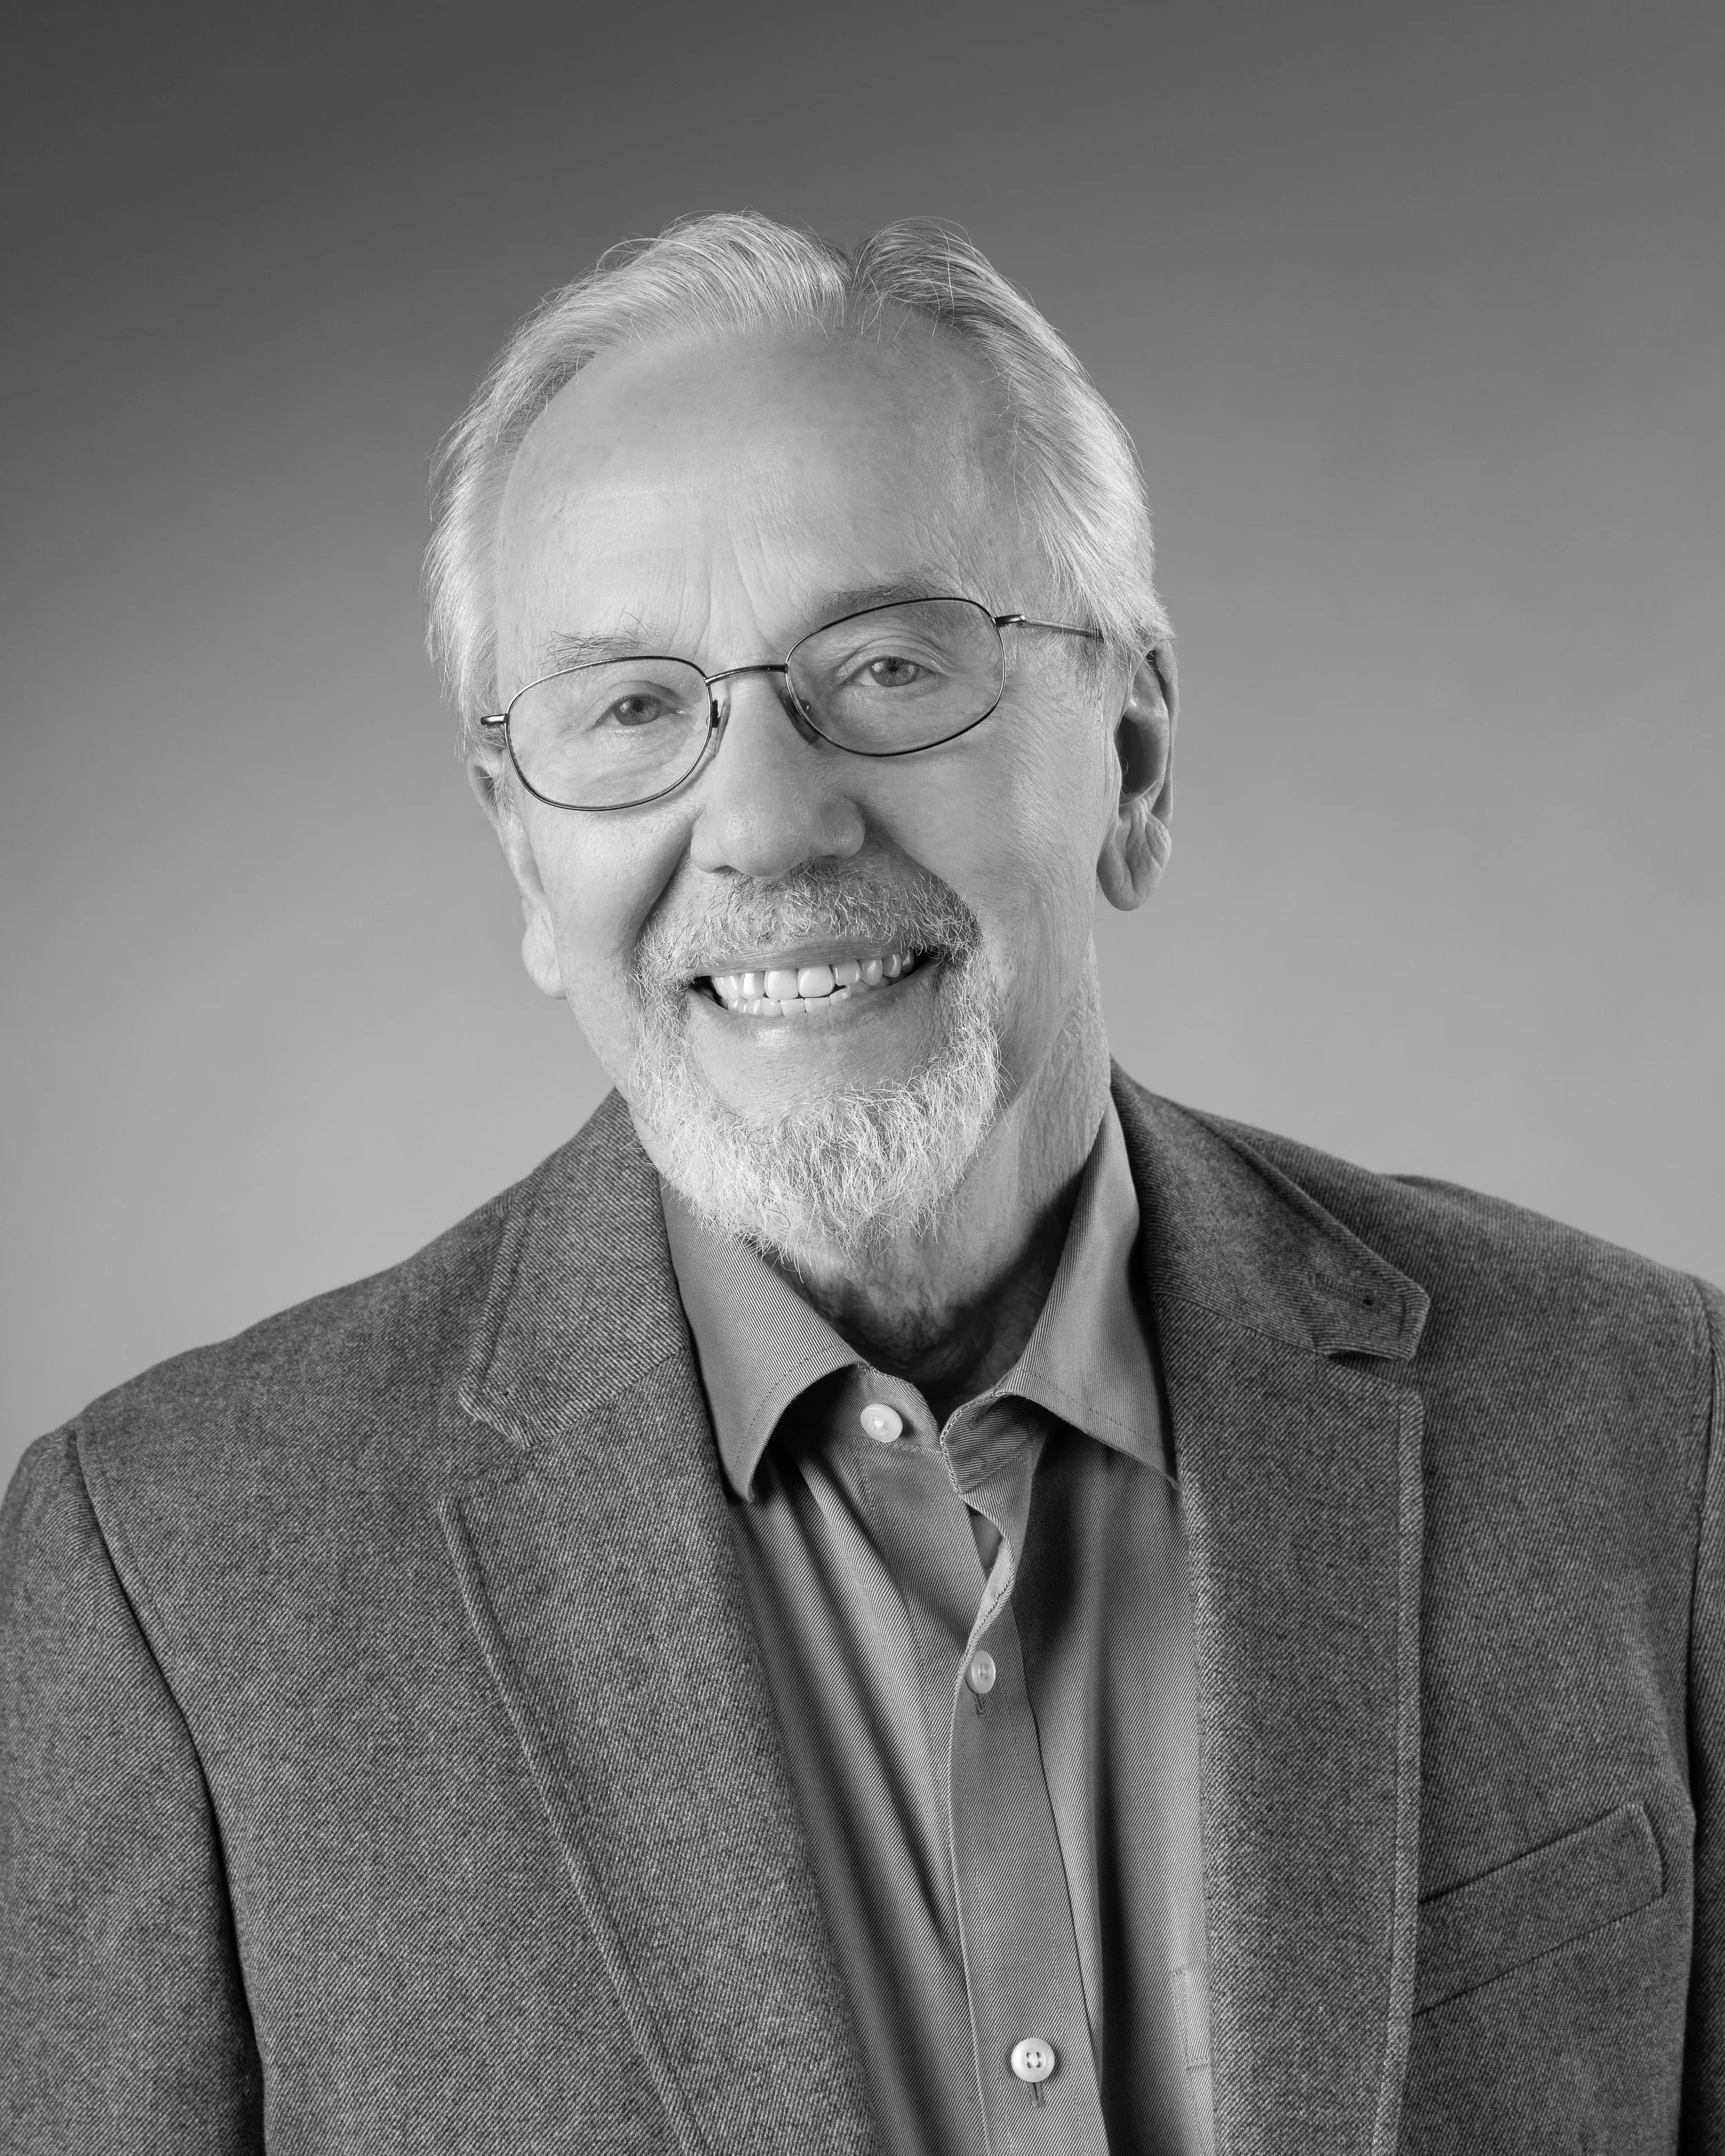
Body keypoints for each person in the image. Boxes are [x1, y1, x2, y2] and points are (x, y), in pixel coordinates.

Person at [1, 210, 1718, 2156]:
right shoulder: (169, 1584)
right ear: (521, 857)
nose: (761, 817)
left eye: (887, 665)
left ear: (1133, 756)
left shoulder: (1647, 1432)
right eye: (633, 709)